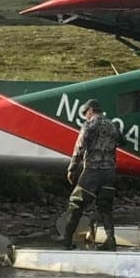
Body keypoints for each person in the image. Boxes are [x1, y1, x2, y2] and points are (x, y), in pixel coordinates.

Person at [60, 99, 121, 250]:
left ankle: (66, 242)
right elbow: (122, 141)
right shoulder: (113, 125)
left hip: (93, 172)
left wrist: (72, 168)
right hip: (110, 172)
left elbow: (80, 146)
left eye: (85, 113)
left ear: (91, 110)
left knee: (75, 204)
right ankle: (110, 240)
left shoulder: (89, 125)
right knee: (105, 207)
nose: (85, 116)